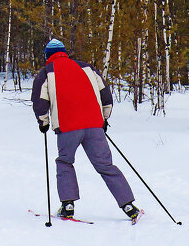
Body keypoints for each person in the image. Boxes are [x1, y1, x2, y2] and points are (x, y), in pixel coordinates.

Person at [31, 38, 141, 222]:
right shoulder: (87, 68)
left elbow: (40, 101)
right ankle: (128, 205)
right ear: (65, 52)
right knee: (106, 165)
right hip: (93, 125)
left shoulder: (46, 73)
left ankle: (68, 206)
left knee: (65, 162)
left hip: (67, 127)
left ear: (47, 56)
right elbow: (105, 93)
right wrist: (104, 118)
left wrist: (43, 122)